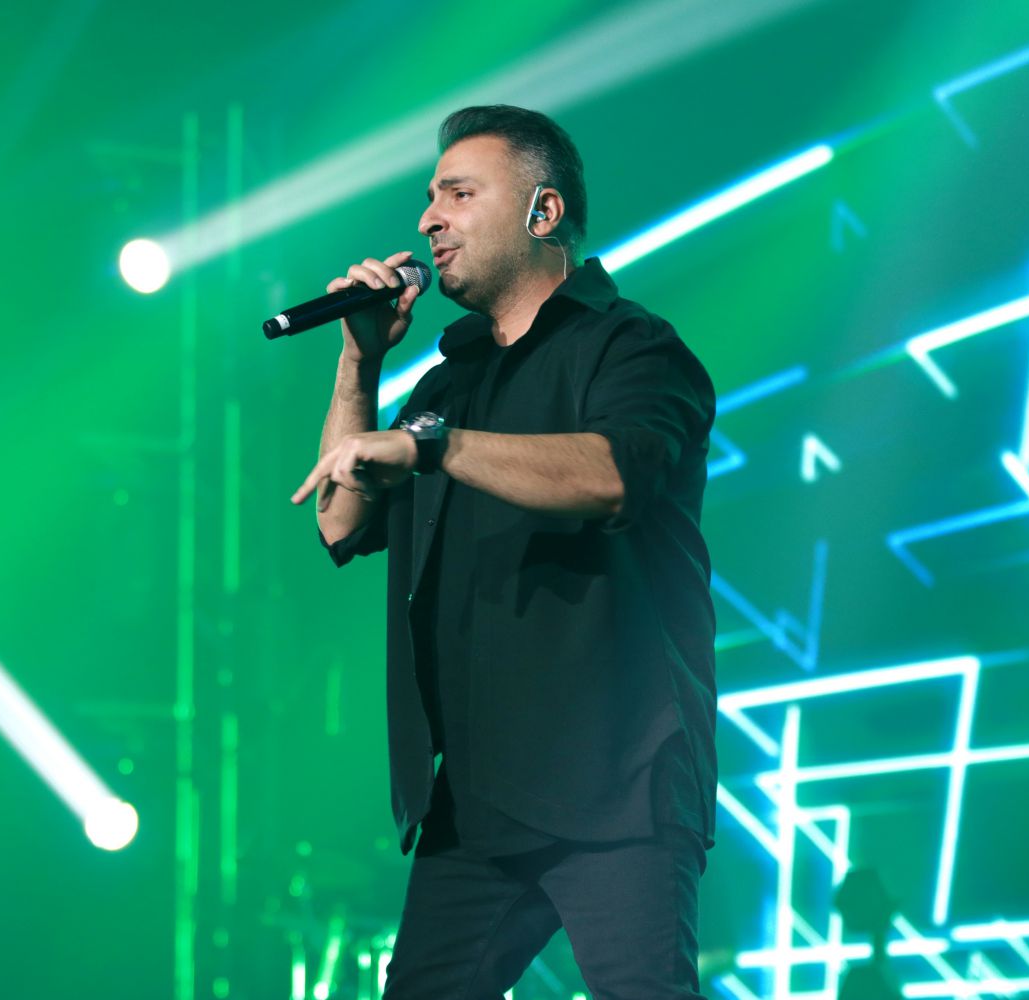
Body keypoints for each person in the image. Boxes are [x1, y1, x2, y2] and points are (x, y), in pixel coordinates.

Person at [291, 105, 717, 999]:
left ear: (543, 212)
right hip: (477, 802)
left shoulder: (634, 347)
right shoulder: (449, 384)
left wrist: (434, 447)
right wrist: (359, 365)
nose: (427, 220)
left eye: (457, 194)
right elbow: (340, 521)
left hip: (617, 781)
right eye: (429, 197)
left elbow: (613, 475)